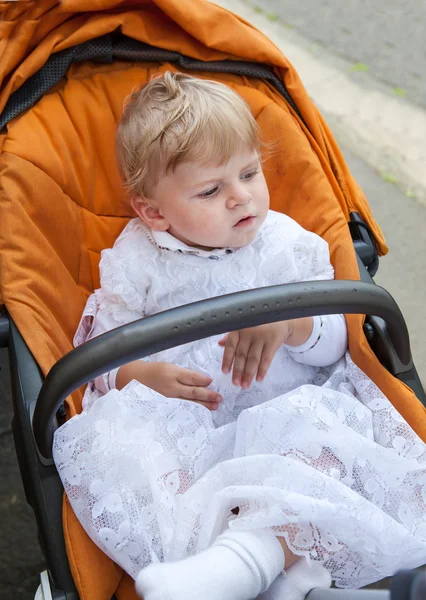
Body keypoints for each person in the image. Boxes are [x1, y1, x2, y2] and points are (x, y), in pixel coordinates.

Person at [53, 72, 426, 600]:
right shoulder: (137, 260)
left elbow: (338, 345)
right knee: (128, 444)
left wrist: (290, 323)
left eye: (250, 173)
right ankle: (279, 576)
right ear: (153, 211)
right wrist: (139, 374)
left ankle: (245, 569)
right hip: (192, 432)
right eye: (211, 189)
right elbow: (102, 352)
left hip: (287, 410)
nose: (241, 197)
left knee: (321, 433)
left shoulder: (285, 245)